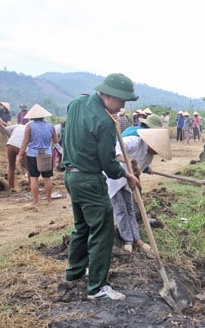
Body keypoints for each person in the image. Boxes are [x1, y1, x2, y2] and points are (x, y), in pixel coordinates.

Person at [62, 73, 139, 301]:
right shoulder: (104, 121)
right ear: (109, 95)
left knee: (82, 227)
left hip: (71, 177)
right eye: (121, 101)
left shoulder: (76, 103)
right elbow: (107, 162)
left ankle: (74, 273)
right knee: (103, 231)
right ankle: (97, 286)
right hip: (90, 179)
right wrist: (125, 175)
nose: (122, 106)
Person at [107, 128, 171, 255]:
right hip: (113, 177)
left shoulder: (149, 157)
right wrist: (127, 160)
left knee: (130, 208)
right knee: (120, 209)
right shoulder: (135, 141)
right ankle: (127, 241)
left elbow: (138, 171)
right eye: (155, 149)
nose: (156, 152)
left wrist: (137, 186)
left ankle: (137, 239)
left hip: (127, 181)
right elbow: (115, 148)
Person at [18, 104, 58, 206]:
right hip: (46, 154)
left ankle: (35, 202)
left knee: (34, 178)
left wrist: (20, 155)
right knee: (47, 178)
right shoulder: (50, 125)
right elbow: (55, 140)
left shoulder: (29, 126)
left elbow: (25, 141)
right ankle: (49, 201)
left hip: (33, 154)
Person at [6, 124, 29, 192]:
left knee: (11, 166)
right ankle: (31, 186)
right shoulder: (30, 129)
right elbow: (26, 142)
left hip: (10, 145)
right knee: (29, 168)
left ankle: (11, 187)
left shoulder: (18, 125)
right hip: (21, 147)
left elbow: (6, 129)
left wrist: (10, 136)